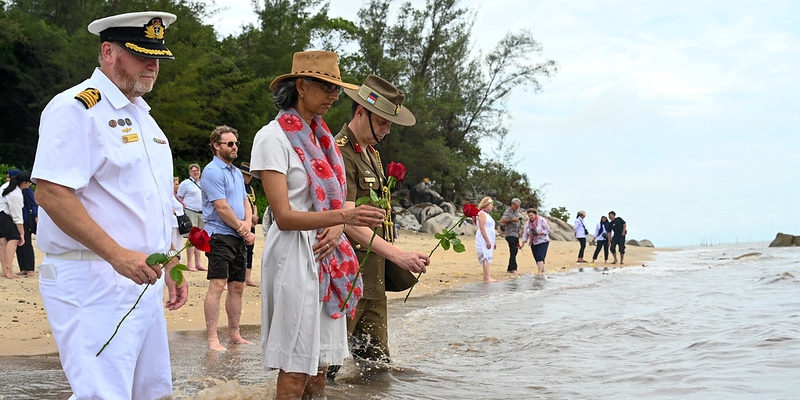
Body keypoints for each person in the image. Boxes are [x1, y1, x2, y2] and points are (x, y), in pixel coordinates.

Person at [31, 11, 188, 399]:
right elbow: (51, 193)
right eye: (142, 55)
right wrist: (118, 255)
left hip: (139, 278)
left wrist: (168, 259)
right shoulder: (76, 108)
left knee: (153, 392)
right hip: (92, 278)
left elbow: (147, 201)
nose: (153, 65)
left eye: (158, 57)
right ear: (108, 52)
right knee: (102, 394)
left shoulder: (144, 118)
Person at [250, 50, 387, 400]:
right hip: (294, 256)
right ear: (301, 85)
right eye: (326, 87)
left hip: (326, 254)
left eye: (337, 89)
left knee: (321, 369)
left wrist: (340, 225)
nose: (334, 96)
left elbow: (334, 202)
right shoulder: (272, 139)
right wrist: (345, 217)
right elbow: (284, 216)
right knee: (296, 368)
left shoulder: (323, 140)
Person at [334, 74, 430, 369]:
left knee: (378, 368)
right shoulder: (341, 153)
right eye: (384, 122)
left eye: (390, 124)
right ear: (361, 112)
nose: (387, 131)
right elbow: (346, 219)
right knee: (329, 367)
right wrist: (397, 255)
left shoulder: (372, 155)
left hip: (373, 277)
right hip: (346, 277)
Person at [201, 125, 255, 352]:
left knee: (237, 286)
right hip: (220, 235)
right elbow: (221, 207)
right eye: (229, 143)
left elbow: (246, 202)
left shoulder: (234, 172)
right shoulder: (212, 171)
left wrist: (248, 222)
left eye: (236, 143)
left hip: (237, 235)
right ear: (216, 145)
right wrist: (244, 230)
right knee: (218, 284)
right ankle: (213, 338)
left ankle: (234, 333)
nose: (234, 147)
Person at [1, 171, 32, 279]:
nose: (30, 185)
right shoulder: (16, 193)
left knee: (3, 241)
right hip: (4, 215)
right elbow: (17, 216)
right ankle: (8, 270)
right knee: (14, 238)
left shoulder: (6, 186)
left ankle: (5, 270)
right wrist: (22, 233)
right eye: (29, 183)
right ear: (24, 183)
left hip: (2, 214)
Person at [7, 169, 38, 277]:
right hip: (16, 219)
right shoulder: (12, 189)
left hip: (25, 219)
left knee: (27, 243)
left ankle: (30, 269)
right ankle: (23, 268)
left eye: (9, 177)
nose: (7, 179)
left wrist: (35, 215)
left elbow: (34, 203)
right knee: (19, 244)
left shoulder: (26, 190)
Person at [177, 163, 206, 271]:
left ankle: (198, 263)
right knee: (191, 238)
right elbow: (179, 197)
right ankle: (190, 263)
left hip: (201, 212)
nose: (196, 172)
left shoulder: (203, 183)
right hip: (191, 211)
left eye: (197, 170)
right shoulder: (185, 184)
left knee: (199, 238)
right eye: (193, 171)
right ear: (190, 172)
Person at [239, 162, 260, 287]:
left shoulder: (250, 189)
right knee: (241, 249)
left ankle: (248, 277)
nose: (250, 178)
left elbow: (254, 203)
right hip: (243, 220)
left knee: (250, 250)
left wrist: (255, 216)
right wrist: (250, 216)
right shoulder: (238, 187)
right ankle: (240, 276)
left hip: (251, 222)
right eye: (248, 176)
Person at [520, 208, 551, 274]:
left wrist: (538, 233)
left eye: (531, 215)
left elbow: (548, 230)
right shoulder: (527, 223)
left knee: (540, 257)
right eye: (529, 216)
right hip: (533, 242)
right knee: (537, 258)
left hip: (543, 241)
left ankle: (539, 273)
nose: (530, 217)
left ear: (535, 214)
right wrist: (522, 244)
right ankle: (542, 272)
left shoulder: (541, 220)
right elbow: (525, 234)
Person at [475, 196, 497, 283]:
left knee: (488, 256)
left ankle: (486, 276)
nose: (492, 206)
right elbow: (482, 228)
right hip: (483, 238)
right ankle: (487, 277)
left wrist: (493, 241)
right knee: (485, 256)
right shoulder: (482, 214)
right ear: (486, 205)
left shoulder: (487, 215)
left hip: (489, 237)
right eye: (491, 204)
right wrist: (487, 240)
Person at [499, 198, 523, 273]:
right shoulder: (508, 211)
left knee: (515, 250)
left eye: (518, 206)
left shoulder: (517, 212)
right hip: (510, 234)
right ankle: (513, 268)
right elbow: (502, 220)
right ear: (512, 205)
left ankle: (510, 268)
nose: (517, 208)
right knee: (513, 249)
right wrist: (512, 220)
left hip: (516, 234)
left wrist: (520, 228)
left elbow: (518, 222)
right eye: (516, 206)